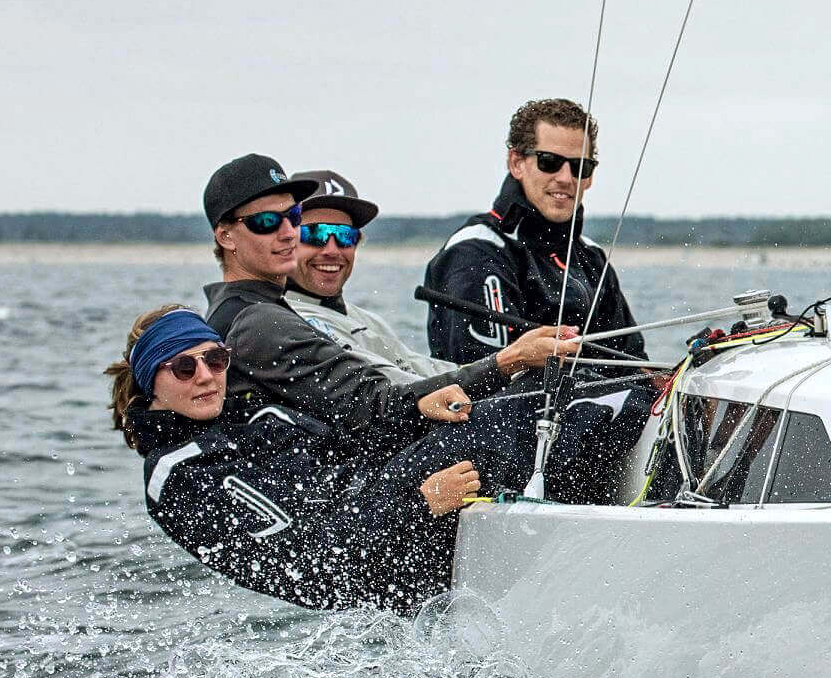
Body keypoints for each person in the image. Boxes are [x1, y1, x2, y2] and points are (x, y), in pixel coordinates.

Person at [107, 305, 636, 611]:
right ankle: (653, 431)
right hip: (384, 573)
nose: (205, 375)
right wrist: (417, 502)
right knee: (514, 424)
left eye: (215, 359)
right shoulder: (180, 476)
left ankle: (641, 495)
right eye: (183, 368)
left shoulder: (252, 415)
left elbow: (358, 445)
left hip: (389, 510)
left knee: (536, 390)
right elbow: (309, 562)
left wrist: (423, 408)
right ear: (152, 381)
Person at [200, 152, 581, 447]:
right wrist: (507, 361)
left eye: (293, 218)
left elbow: (415, 372)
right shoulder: (256, 320)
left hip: (382, 458)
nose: (288, 234)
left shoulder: (347, 316)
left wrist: (524, 366)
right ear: (226, 236)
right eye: (268, 223)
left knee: (584, 394)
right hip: (365, 486)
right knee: (577, 413)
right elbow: (379, 402)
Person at [424, 98, 647, 375]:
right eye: (549, 162)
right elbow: (478, 378)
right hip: (497, 413)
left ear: (590, 178)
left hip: (597, 407)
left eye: (580, 167)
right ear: (516, 163)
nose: (566, 178)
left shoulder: (592, 257)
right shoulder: (475, 251)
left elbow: (633, 365)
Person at [283, 169, 454, 382]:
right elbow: (392, 386)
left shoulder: (368, 320)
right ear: (283, 240)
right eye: (315, 234)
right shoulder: (285, 322)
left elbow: (421, 368)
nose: (332, 250)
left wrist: (503, 367)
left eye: (345, 236)